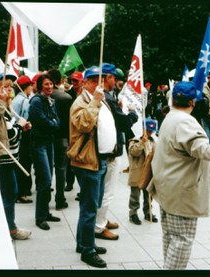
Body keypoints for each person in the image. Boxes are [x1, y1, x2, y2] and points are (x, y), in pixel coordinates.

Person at [147, 81, 210, 270]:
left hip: (168, 189)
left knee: (171, 238)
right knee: (181, 242)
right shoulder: (185, 121)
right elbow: (201, 148)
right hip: (181, 193)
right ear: (193, 102)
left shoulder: (170, 117)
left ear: (172, 100)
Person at [68, 66, 117, 268]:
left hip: (100, 159)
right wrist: (96, 100)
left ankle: (84, 243)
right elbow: (84, 125)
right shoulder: (82, 101)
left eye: (102, 79)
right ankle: (88, 250)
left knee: (91, 205)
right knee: (90, 207)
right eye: (95, 80)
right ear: (86, 82)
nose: (101, 83)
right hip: (88, 162)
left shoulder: (98, 98)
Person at [95, 63, 138, 241]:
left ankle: (101, 220)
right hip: (110, 151)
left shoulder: (106, 97)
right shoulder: (107, 98)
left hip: (108, 149)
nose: (116, 82)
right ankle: (99, 226)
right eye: (114, 78)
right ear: (108, 78)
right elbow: (123, 123)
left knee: (104, 190)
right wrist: (133, 113)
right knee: (107, 191)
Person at [0, 73, 32, 240]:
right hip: (4, 158)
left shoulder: (8, 108)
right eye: (5, 87)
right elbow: (8, 134)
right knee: (8, 193)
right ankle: (9, 228)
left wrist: (21, 126)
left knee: (10, 192)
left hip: (11, 158)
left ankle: (8, 226)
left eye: (10, 87)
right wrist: (20, 128)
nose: (9, 90)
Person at [28, 74, 61, 231]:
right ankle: (40, 217)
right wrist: (53, 123)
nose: (49, 87)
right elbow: (40, 120)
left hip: (49, 142)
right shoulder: (36, 101)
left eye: (51, 84)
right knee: (45, 180)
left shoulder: (50, 100)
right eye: (46, 84)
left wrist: (53, 123)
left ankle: (45, 212)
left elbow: (56, 119)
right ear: (40, 85)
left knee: (48, 179)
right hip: (38, 143)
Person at [48, 68, 73, 210]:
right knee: (61, 169)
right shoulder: (66, 98)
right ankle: (60, 198)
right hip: (63, 137)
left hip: (47, 138)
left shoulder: (43, 96)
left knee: (46, 171)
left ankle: (45, 199)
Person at [128, 118, 158, 225]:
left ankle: (148, 212)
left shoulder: (154, 141)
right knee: (135, 195)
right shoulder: (135, 140)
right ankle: (133, 214)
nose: (149, 133)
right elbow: (134, 153)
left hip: (149, 172)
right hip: (137, 172)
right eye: (148, 131)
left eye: (151, 131)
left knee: (148, 194)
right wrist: (141, 142)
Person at [12, 75, 34, 204]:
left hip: (15, 133)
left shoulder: (15, 99)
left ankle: (18, 191)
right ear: (27, 86)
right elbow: (26, 118)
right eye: (31, 85)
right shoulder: (25, 101)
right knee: (24, 164)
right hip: (23, 134)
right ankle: (22, 193)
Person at [64, 71, 84, 193]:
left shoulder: (86, 95)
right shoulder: (68, 95)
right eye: (72, 81)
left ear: (82, 81)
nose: (74, 83)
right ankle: (69, 182)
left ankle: (82, 187)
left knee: (82, 160)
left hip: (83, 130)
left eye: (76, 81)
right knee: (69, 158)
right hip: (71, 130)